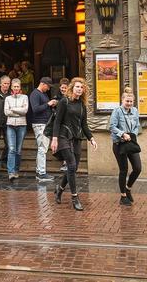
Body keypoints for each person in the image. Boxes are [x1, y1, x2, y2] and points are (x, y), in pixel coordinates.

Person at [51, 77, 98, 211]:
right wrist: (54, 139)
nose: (79, 89)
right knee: (71, 165)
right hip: (63, 136)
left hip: (77, 138)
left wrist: (91, 138)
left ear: (84, 90)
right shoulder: (64, 102)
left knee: (73, 168)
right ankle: (74, 197)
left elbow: (84, 125)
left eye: (81, 87)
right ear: (72, 88)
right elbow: (57, 121)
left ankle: (59, 189)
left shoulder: (82, 106)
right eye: (77, 86)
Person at [109, 87, 142, 206]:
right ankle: (123, 196)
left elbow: (137, 126)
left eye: (131, 101)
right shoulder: (117, 111)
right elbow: (112, 126)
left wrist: (132, 135)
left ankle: (128, 188)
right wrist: (123, 134)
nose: (129, 103)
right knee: (124, 170)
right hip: (119, 144)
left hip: (131, 143)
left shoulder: (135, 111)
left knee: (137, 168)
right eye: (127, 101)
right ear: (122, 100)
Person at [30, 77, 56, 182]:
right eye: (48, 86)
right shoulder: (35, 94)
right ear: (43, 84)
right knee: (42, 148)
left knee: (42, 148)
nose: (49, 89)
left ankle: (39, 171)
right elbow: (35, 109)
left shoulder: (43, 94)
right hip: (39, 124)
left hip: (44, 123)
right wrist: (48, 104)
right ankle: (41, 173)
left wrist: (50, 104)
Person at [3, 78, 28, 182]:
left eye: (18, 86)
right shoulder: (8, 98)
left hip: (22, 125)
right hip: (10, 125)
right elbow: (6, 112)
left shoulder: (25, 97)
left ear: (20, 87)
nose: (16, 88)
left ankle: (17, 169)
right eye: (14, 86)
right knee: (12, 148)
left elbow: (25, 111)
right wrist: (18, 111)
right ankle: (11, 172)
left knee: (18, 150)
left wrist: (12, 109)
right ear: (11, 87)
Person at [54, 78, 70, 172]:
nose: (63, 89)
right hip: (59, 122)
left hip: (68, 123)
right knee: (62, 143)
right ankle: (64, 162)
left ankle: (67, 162)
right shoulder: (57, 96)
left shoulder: (70, 97)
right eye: (62, 88)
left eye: (65, 88)